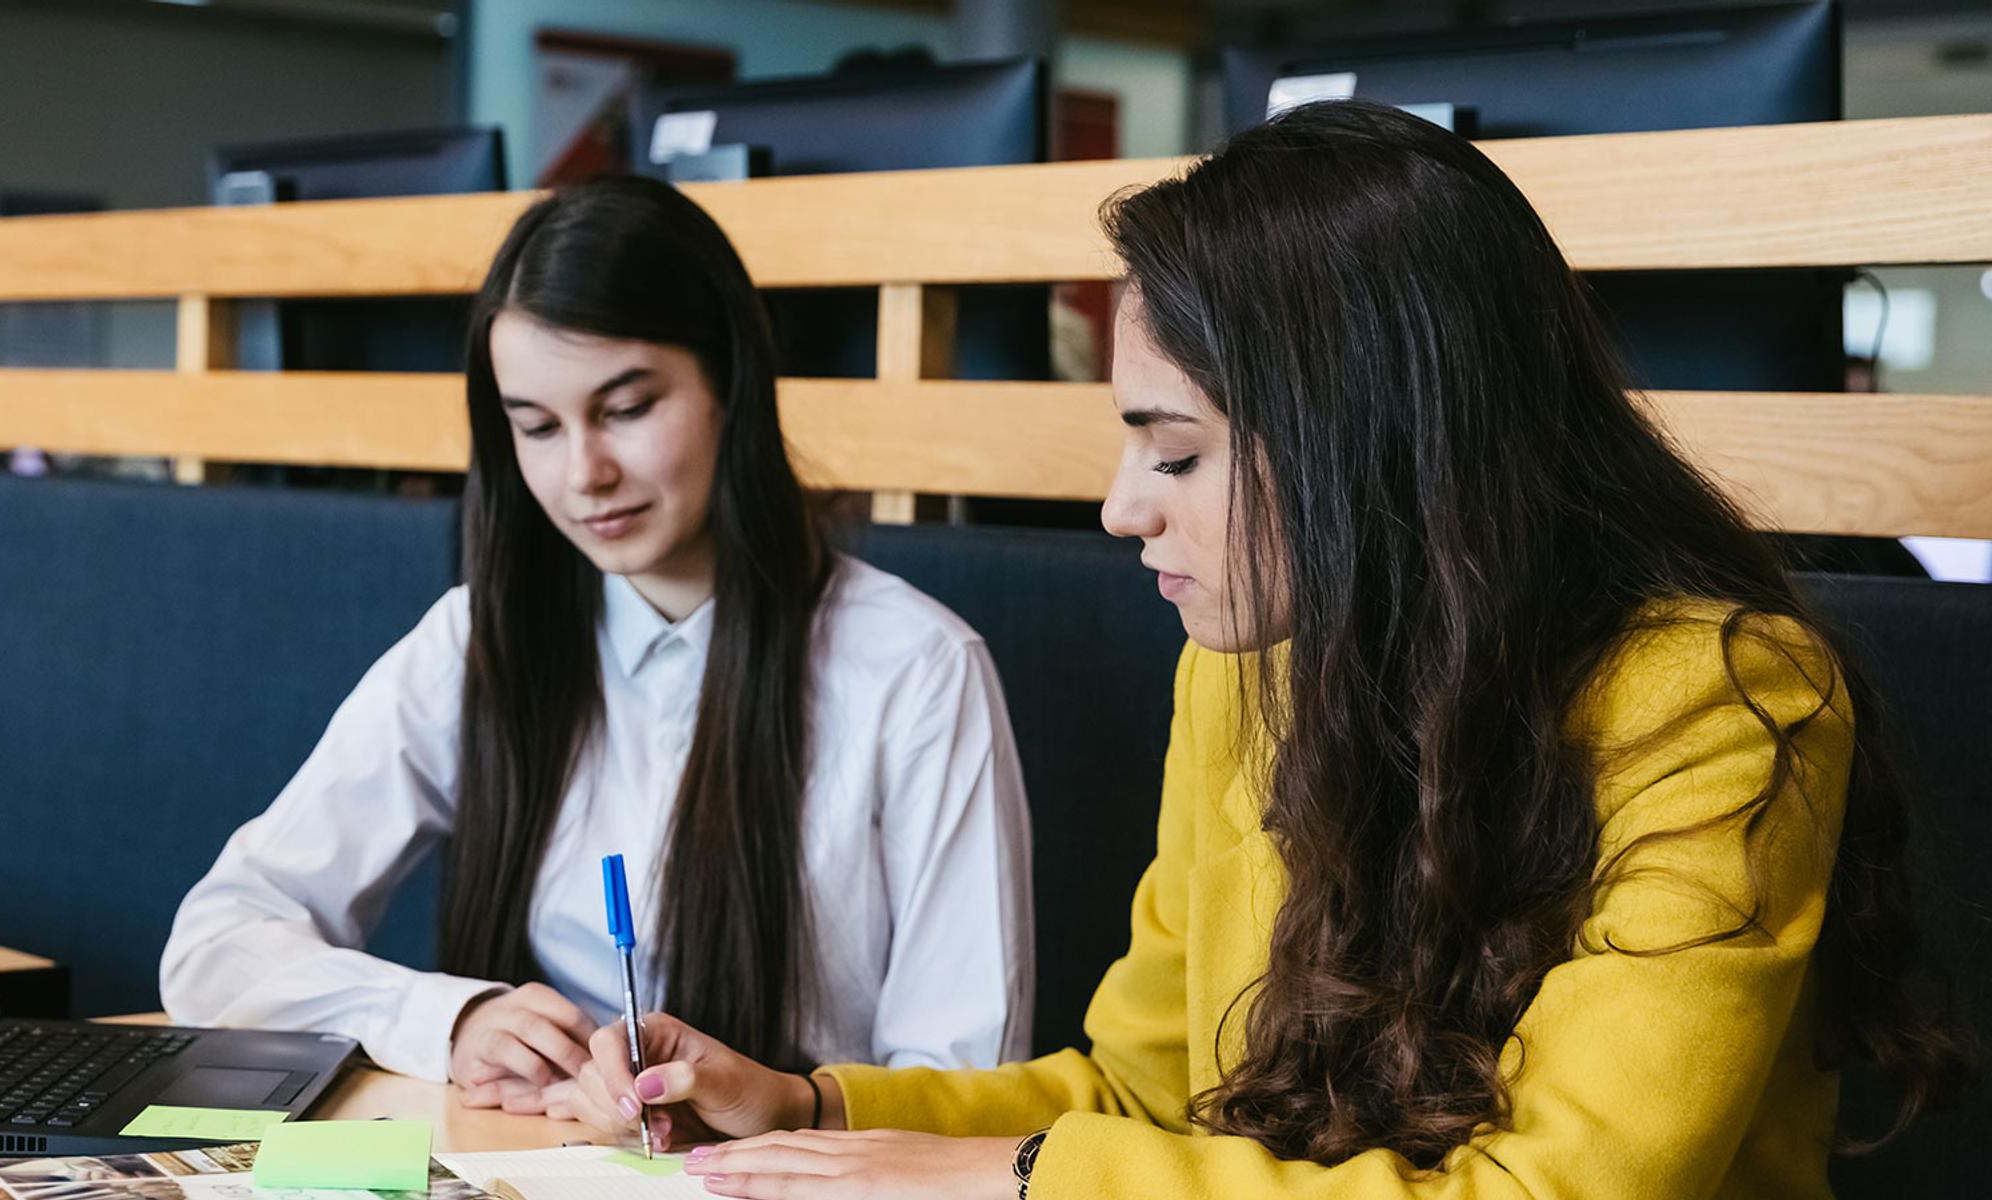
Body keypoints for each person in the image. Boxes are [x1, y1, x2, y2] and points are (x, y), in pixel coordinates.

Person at [568, 100, 1971, 1197]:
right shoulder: (1246, 662)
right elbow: (1138, 1095)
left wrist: (1008, 1179)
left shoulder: (1722, 705)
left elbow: (1553, 1189)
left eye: (1173, 451)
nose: (1123, 510)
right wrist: (813, 1109)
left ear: (1372, 449)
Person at [161, 176, 1037, 1116]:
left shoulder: (915, 672)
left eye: (626, 409)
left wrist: (792, 1099)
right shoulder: (482, 639)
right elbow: (216, 944)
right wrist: (449, 1020)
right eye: (537, 427)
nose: (585, 474)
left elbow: (967, 1086)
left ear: (729, 383)